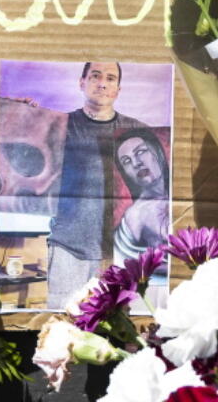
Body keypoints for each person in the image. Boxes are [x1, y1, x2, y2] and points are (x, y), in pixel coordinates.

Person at [46, 62, 145, 309]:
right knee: (64, 325)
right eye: (96, 76)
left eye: (110, 78)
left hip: (119, 251)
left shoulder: (136, 131)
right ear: (82, 83)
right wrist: (22, 112)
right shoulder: (58, 125)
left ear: (118, 89)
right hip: (68, 248)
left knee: (117, 330)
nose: (102, 83)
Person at [112, 128, 171, 264]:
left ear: (158, 152)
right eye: (126, 161)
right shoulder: (138, 212)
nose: (136, 163)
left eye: (140, 152)